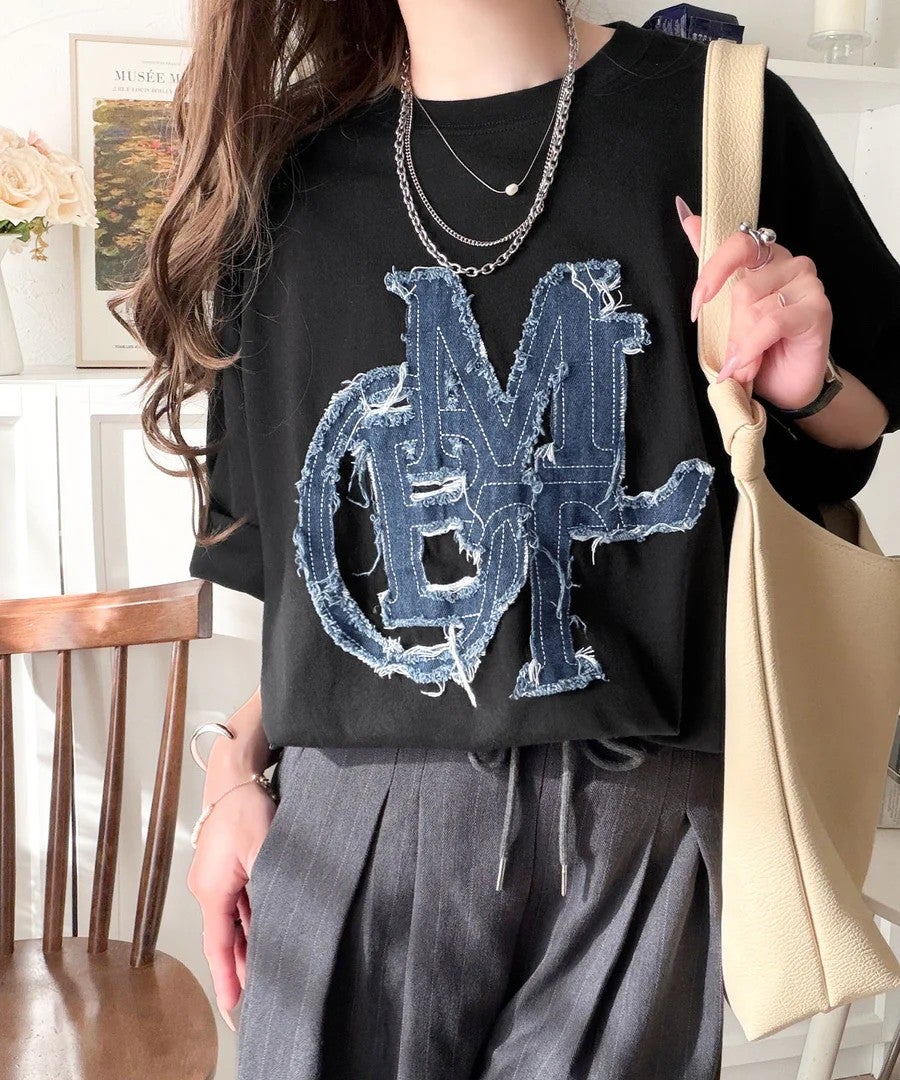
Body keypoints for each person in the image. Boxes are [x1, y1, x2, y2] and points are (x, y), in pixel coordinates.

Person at [114, 0, 900, 1076]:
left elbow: (861, 425)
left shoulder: (725, 117)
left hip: (641, 828)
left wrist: (810, 384)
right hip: (357, 823)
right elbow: (319, 606)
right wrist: (231, 776)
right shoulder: (282, 182)